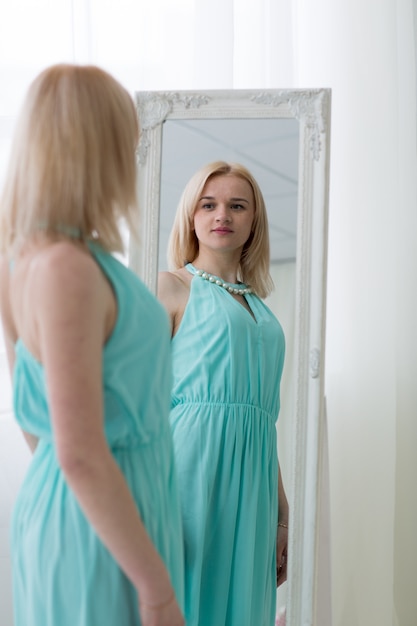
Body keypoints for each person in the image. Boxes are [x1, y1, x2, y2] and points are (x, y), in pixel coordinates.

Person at [0, 64, 184, 626]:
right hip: (97, 526)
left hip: (102, 510)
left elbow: (41, 429)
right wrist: (155, 590)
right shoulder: (67, 270)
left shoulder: (33, 259)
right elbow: (75, 450)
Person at [158, 161, 289, 626]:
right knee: (193, 595)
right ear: (191, 216)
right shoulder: (171, 288)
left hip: (254, 478)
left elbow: (261, 418)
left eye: (238, 205)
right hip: (191, 470)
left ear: (254, 220)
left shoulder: (261, 308)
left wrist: (281, 509)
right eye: (208, 204)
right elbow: (138, 402)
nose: (223, 215)